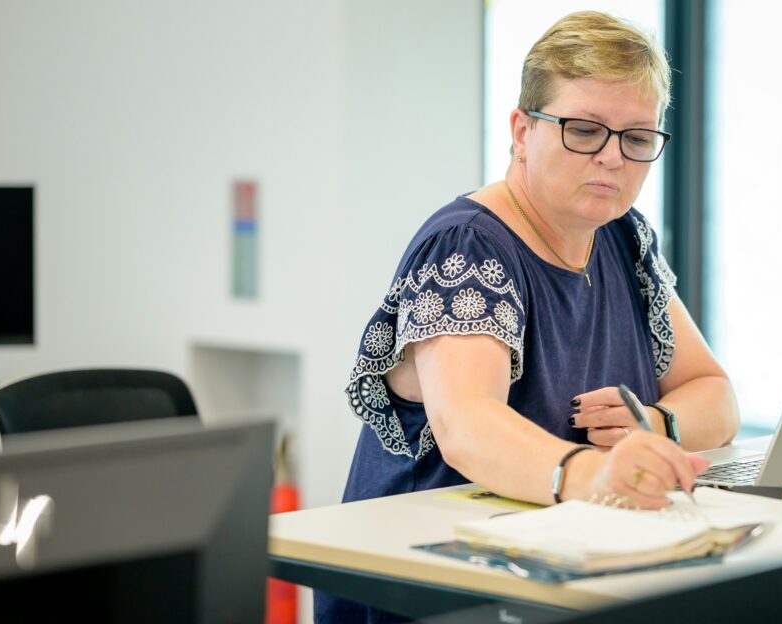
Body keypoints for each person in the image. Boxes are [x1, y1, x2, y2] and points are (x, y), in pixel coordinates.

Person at [316, 11, 739, 623]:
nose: (613, 158)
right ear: (521, 131)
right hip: (431, 585)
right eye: (584, 130)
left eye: (637, 138)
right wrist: (594, 475)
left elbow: (717, 396)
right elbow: (466, 422)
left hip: (559, 566)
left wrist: (654, 426)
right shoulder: (469, 245)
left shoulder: (622, 238)